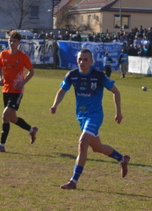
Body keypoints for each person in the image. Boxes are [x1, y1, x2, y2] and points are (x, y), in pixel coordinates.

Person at [50, 48, 130, 189]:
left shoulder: (99, 76)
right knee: (97, 148)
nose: (82, 62)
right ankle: (122, 159)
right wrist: (55, 105)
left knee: (83, 143)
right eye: (80, 59)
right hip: (81, 116)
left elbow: (116, 92)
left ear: (91, 61)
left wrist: (118, 112)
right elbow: (62, 91)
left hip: (95, 115)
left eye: (85, 59)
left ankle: (73, 181)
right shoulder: (72, 75)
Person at [0, 30, 39, 152]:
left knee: (5, 115)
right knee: (12, 118)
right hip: (6, 89)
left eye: (14, 41)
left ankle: (1, 145)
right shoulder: (3, 54)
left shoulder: (23, 57)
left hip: (17, 91)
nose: (11, 43)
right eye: (10, 40)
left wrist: (23, 82)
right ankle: (31, 129)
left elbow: (31, 72)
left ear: (19, 43)